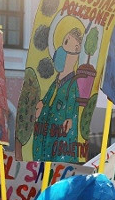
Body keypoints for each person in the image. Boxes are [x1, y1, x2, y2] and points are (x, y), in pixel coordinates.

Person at [33, 27, 83, 163]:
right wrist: (41, 104)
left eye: (66, 43)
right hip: (47, 134)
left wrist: (69, 118)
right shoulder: (55, 82)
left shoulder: (72, 84)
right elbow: (48, 97)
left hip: (60, 140)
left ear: (76, 50)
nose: (60, 49)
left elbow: (72, 105)